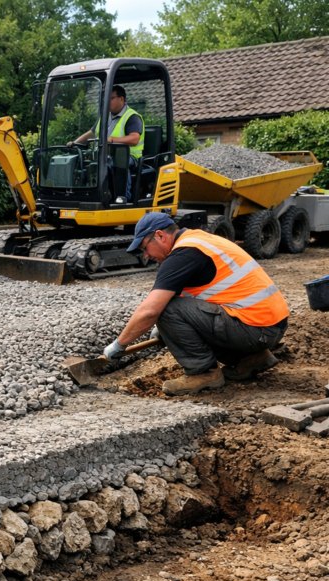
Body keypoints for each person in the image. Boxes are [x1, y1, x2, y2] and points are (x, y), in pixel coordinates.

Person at [103, 212, 288, 396]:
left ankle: (203, 373)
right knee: (169, 309)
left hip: (255, 329)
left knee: (166, 309)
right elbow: (200, 298)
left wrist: (119, 345)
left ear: (159, 235)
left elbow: (150, 311)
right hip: (269, 325)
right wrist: (166, 331)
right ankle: (251, 358)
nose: (145, 255)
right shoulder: (198, 241)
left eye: (145, 248)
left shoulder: (183, 255)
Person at [69, 85, 143, 203]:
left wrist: (112, 140)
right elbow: (92, 133)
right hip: (104, 154)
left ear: (121, 99)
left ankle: (123, 196)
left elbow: (134, 139)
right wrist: (74, 143)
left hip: (129, 156)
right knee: (83, 160)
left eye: (110, 98)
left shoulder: (132, 117)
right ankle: (87, 193)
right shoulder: (105, 117)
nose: (107, 102)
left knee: (117, 159)